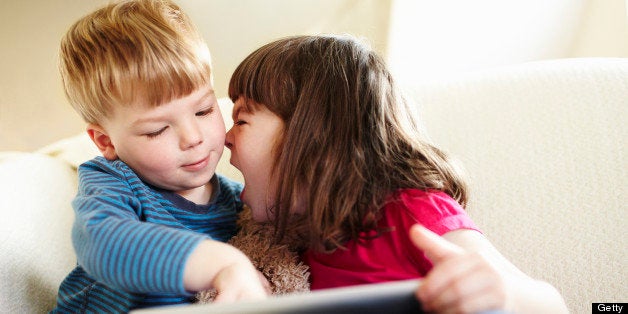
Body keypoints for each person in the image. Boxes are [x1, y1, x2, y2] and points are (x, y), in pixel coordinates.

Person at [224, 34, 568, 313]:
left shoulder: (411, 211)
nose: (225, 137)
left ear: (315, 135)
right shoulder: (290, 241)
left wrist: (501, 294)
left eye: (241, 120)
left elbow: (552, 306)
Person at [52, 0, 267, 312]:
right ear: (105, 141)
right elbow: (105, 244)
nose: (193, 138)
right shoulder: (113, 181)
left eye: (204, 110)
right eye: (157, 130)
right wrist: (223, 262)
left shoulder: (239, 202)